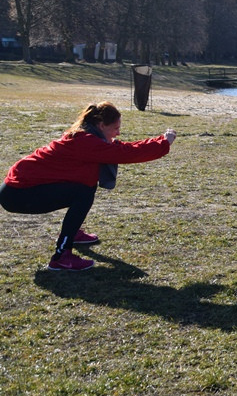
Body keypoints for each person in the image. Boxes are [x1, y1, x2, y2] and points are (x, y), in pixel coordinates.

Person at [0, 102, 177, 271]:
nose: (118, 133)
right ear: (101, 125)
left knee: (85, 187)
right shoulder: (86, 142)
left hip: (18, 190)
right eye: (115, 128)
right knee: (82, 193)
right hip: (17, 195)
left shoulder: (87, 136)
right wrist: (163, 143)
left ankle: (73, 233)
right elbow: (125, 153)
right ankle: (61, 258)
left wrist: (159, 141)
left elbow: (122, 147)